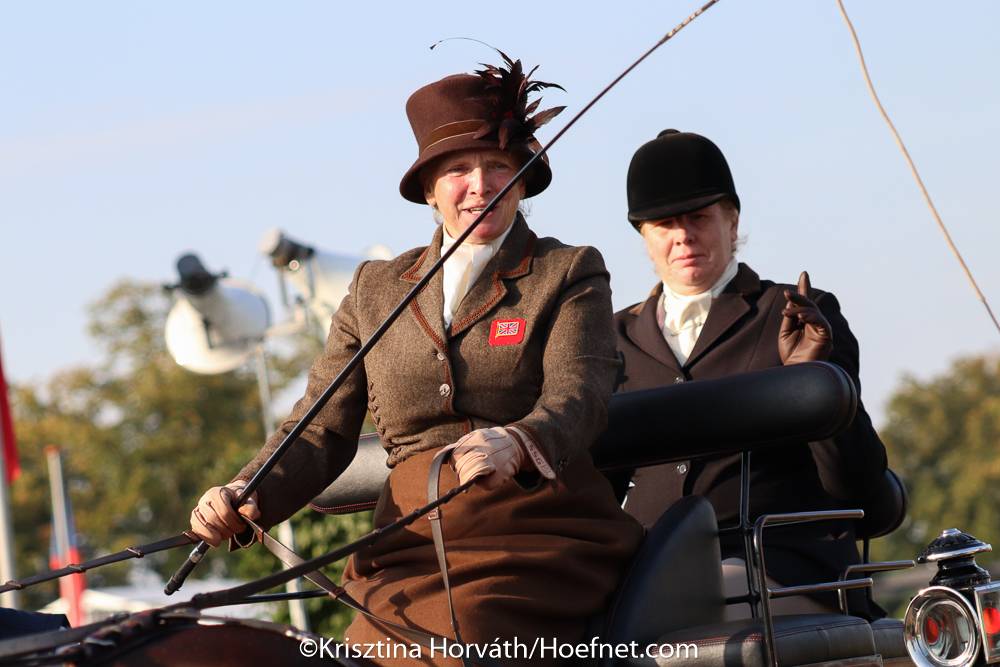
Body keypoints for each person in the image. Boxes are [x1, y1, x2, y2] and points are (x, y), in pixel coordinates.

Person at [189, 55, 642, 664]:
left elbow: (578, 393)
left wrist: (517, 442)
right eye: (458, 170)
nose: (480, 185)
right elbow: (319, 427)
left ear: (522, 180)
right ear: (429, 190)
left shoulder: (566, 272)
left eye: (497, 166)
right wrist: (246, 492)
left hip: (536, 532)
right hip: (408, 544)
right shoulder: (375, 289)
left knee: (466, 636)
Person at [613, 129, 888, 619]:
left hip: (777, 568)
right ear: (644, 236)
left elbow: (857, 481)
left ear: (732, 220)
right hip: (646, 569)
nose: (683, 236)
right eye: (665, 224)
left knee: (685, 607)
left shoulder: (797, 314)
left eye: (698, 218)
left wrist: (815, 381)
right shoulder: (612, 339)